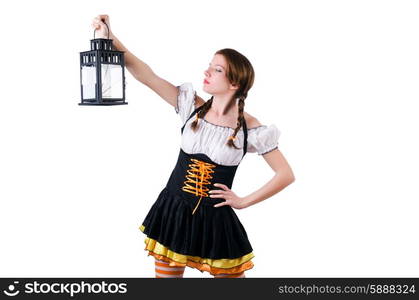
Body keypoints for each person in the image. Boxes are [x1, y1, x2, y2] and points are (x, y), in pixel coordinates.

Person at [92, 15, 296, 278]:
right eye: (209, 66)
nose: (207, 72)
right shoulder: (192, 107)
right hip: (173, 213)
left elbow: (286, 175)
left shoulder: (251, 129)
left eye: (217, 69)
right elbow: (147, 75)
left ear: (235, 83)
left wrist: (243, 201)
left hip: (216, 223)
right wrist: (111, 37)